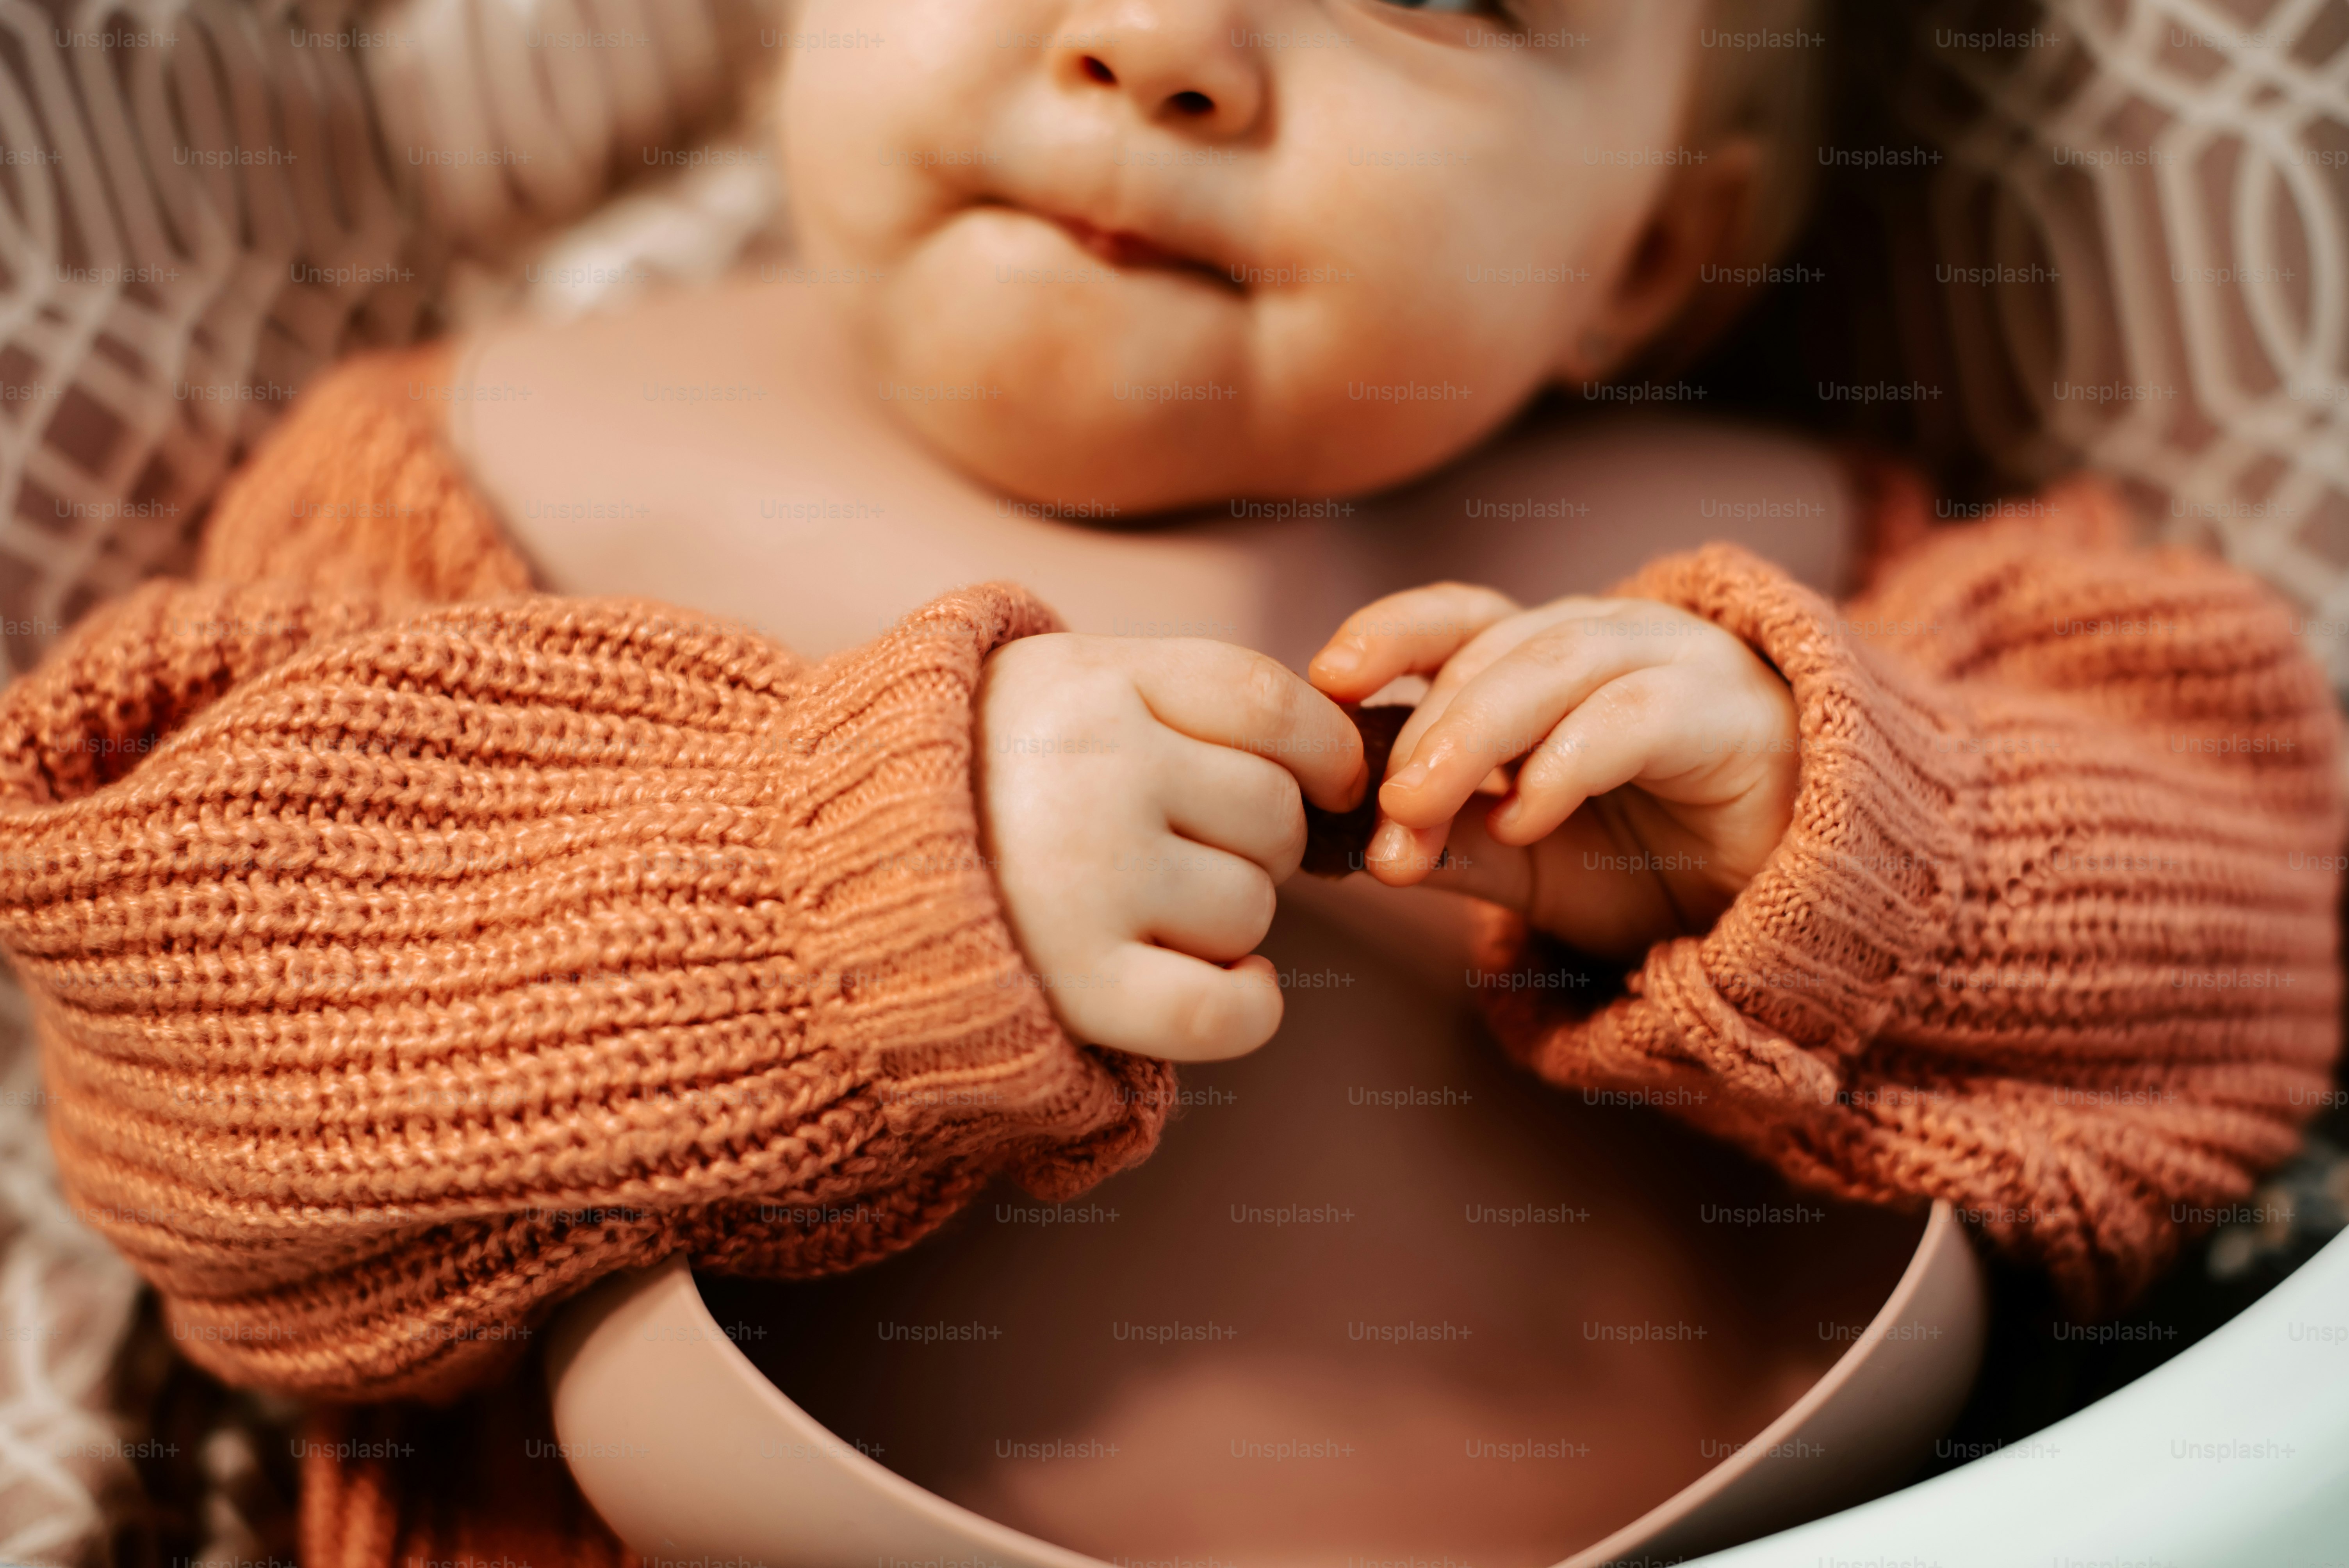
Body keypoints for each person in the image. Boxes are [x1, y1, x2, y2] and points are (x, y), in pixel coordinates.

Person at [0, 0, 2337, 1563]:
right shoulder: (498, 451)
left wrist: (1842, 832)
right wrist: (839, 892)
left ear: (1654, 250)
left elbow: (2244, 957)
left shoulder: (1818, 566)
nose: (1167, 46)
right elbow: (185, 1036)